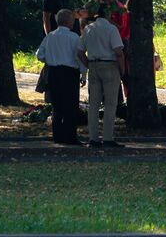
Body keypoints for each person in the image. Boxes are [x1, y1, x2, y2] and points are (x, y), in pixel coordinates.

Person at [36, 10, 86, 144]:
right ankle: (70, 137)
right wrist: (84, 74)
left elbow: (39, 55)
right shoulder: (74, 37)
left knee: (57, 106)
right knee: (71, 106)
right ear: (69, 21)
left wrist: (51, 58)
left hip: (54, 72)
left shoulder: (50, 36)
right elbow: (79, 56)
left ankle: (57, 136)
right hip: (70, 73)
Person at [81, 8, 127, 148]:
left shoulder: (88, 29)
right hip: (110, 65)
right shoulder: (111, 29)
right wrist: (122, 69)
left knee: (93, 104)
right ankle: (107, 138)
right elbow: (118, 52)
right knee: (110, 104)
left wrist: (88, 64)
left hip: (94, 65)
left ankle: (93, 138)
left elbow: (79, 51)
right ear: (108, 15)